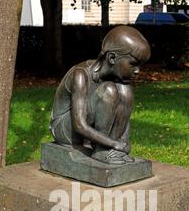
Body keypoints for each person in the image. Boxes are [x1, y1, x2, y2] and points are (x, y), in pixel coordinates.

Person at [49, 26, 151, 165]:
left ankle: (109, 152)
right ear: (112, 58)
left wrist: (123, 143)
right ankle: (101, 150)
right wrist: (113, 143)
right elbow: (79, 125)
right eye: (133, 64)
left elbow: (123, 117)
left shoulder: (116, 80)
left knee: (126, 90)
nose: (138, 71)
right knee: (109, 90)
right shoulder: (80, 74)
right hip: (66, 128)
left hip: (88, 129)